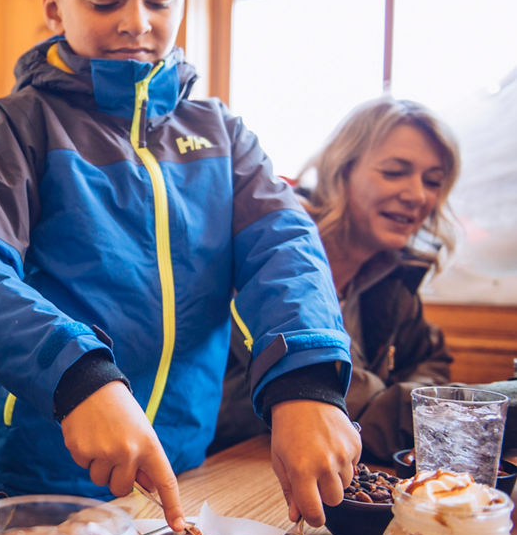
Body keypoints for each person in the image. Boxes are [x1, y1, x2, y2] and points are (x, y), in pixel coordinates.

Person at [0, 0, 361, 532]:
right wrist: (78, 378)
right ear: (55, 7)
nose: (136, 22)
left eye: (160, 1)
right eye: (106, 1)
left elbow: (284, 246)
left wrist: (307, 382)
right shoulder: (21, 124)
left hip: (181, 472)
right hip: (35, 480)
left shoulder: (223, 133)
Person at [217, 96, 517, 462]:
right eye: (394, 172)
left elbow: (431, 360)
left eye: (433, 181)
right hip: (227, 470)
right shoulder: (272, 260)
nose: (417, 195)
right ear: (341, 171)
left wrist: (391, 393)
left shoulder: (392, 275)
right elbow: (353, 411)